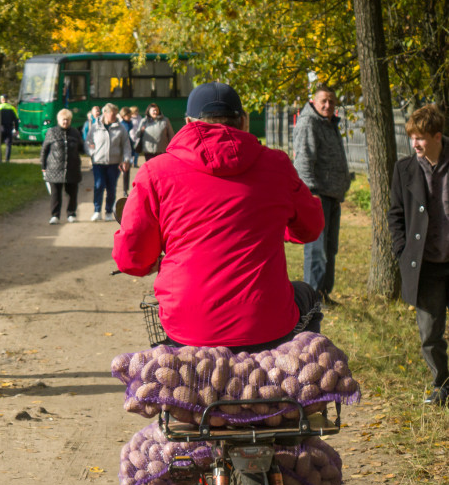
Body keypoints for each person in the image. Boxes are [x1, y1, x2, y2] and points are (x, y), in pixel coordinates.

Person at [113, 82, 324, 350]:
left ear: (188, 123)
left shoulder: (155, 172)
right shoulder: (277, 165)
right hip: (266, 322)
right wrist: (275, 224)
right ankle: (296, 367)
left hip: (187, 325)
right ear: (243, 121)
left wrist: (151, 261)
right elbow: (311, 227)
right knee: (308, 296)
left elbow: (130, 258)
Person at [388, 104, 449, 406]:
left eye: (421, 138)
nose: (415, 144)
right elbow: (395, 215)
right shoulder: (404, 169)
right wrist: (402, 251)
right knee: (429, 334)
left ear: (438, 136)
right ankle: (442, 384)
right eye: (412, 137)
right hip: (426, 267)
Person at [293, 84, 352, 305]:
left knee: (330, 247)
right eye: (323, 101)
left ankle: (323, 294)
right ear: (313, 102)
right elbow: (303, 160)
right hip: (318, 196)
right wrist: (311, 194)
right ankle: (312, 298)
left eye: (331, 102)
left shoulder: (329, 123)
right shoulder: (309, 123)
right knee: (317, 250)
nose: (328, 105)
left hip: (333, 194)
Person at [87, 103, 132, 222]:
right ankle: (97, 211)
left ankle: (108, 211)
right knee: (99, 185)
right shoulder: (95, 127)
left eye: (116, 114)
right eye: (112, 114)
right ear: (105, 113)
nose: (115, 116)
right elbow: (88, 142)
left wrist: (126, 159)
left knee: (111, 188)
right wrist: (92, 153)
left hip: (114, 163)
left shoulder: (120, 128)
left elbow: (126, 145)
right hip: (98, 162)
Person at [40, 108, 83, 223]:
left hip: (72, 168)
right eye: (63, 120)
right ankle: (55, 215)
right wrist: (43, 167)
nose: (65, 122)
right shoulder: (51, 132)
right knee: (55, 194)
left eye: (68, 120)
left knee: (72, 193)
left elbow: (81, 147)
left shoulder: (75, 132)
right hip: (54, 169)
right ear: (59, 120)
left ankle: (71, 213)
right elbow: (44, 150)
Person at [0, 94, 19, 162]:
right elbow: (16, 120)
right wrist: (17, 129)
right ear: (7, 99)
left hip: (0, 128)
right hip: (9, 128)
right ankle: (7, 160)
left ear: (1, 99)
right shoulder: (12, 108)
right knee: (8, 145)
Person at [118, 107, 136, 197]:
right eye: (128, 115)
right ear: (123, 116)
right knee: (125, 170)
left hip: (129, 148)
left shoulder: (129, 124)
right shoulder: (122, 125)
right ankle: (124, 190)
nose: (130, 117)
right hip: (123, 150)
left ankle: (125, 190)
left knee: (127, 170)